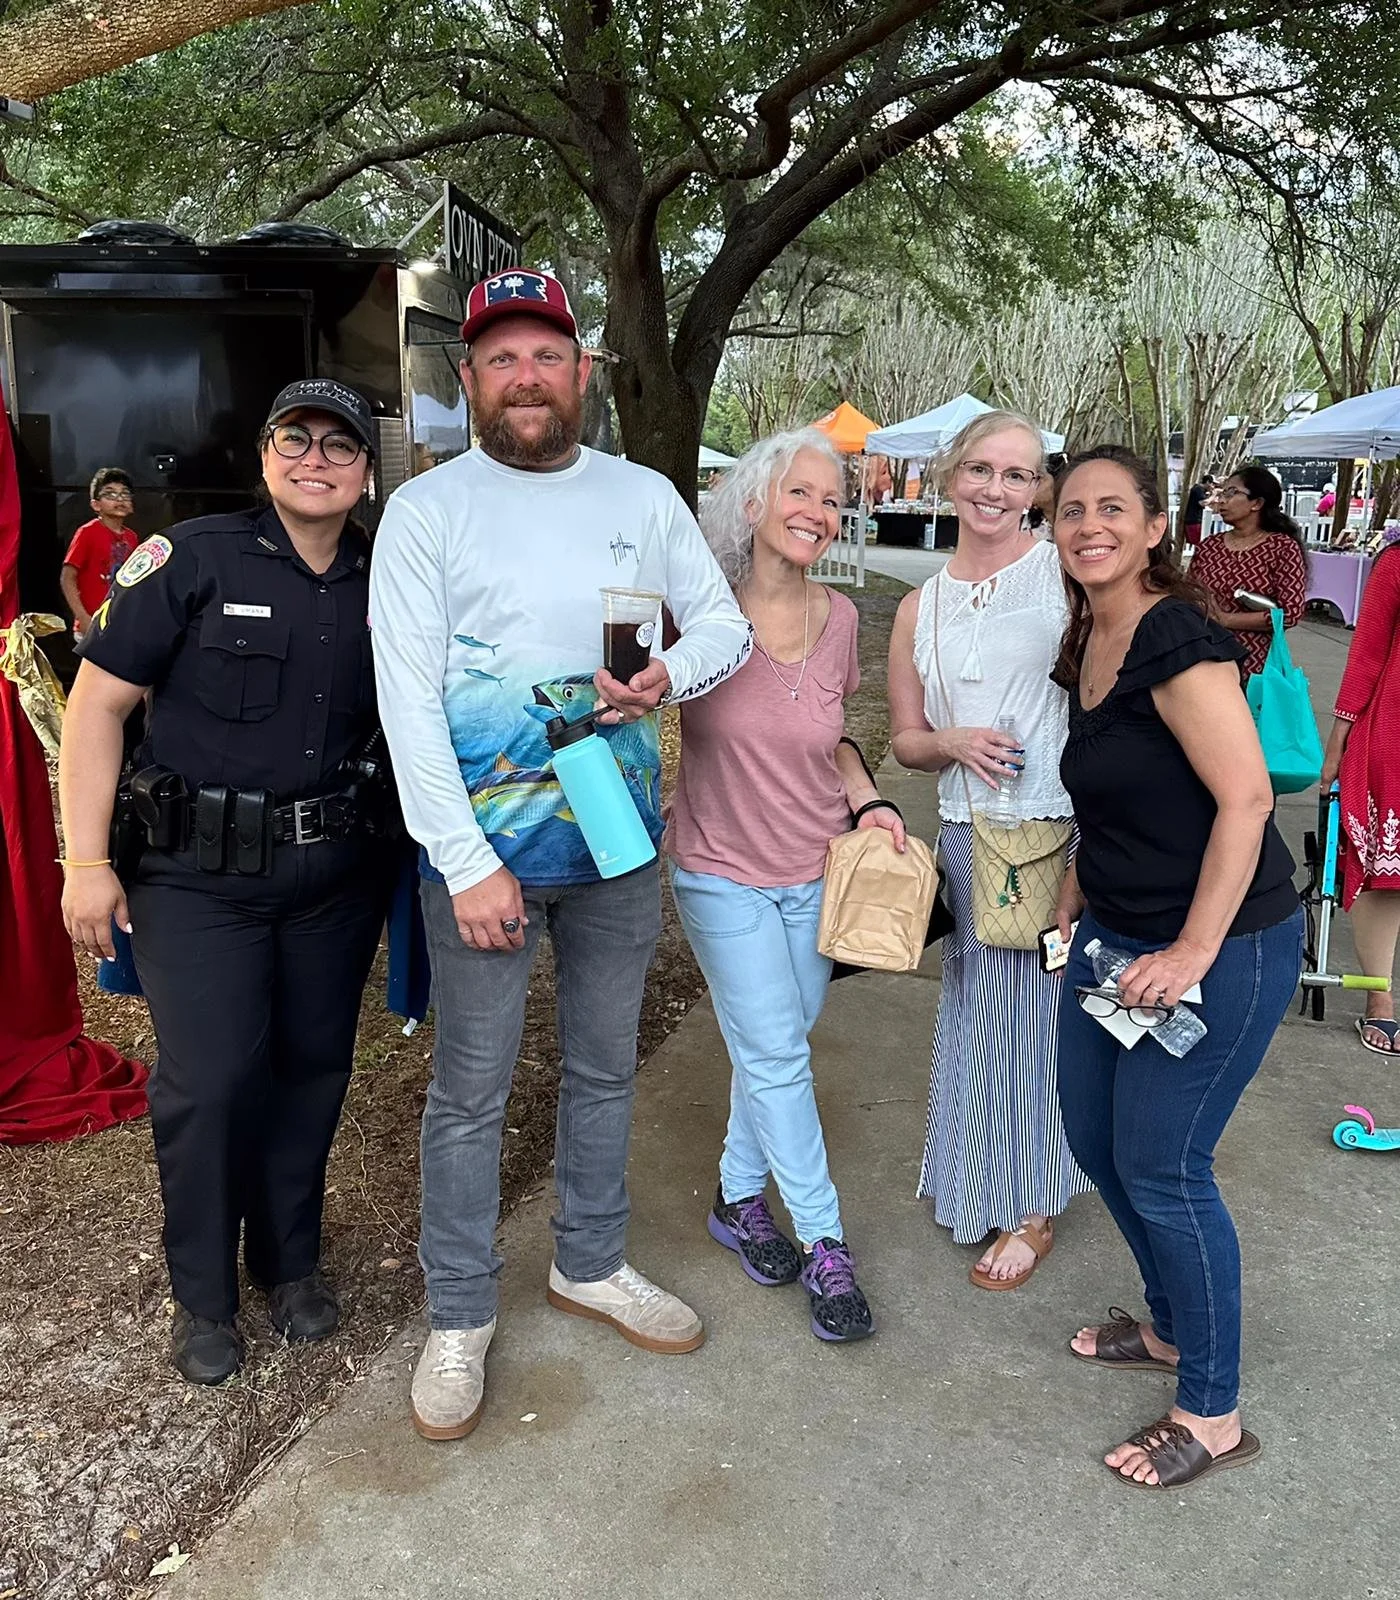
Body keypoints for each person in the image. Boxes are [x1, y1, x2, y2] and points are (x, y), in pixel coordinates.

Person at [369, 268, 752, 1441]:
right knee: (469, 1092)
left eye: (546, 356)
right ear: (469, 378)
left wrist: (664, 678)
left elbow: (723, 625)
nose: (525, 377)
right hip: (482, 854)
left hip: (619, 847)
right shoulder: (427, 512)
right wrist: (461, 855)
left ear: (581, 374)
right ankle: (460, 1316)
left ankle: (588, 1262)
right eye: (501, 358)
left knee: (601, 1068)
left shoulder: (640, 494)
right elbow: (407, 700)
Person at [58, 379, 394, 1385]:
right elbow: (96, 708)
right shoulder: (192, 557)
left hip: (335, 874)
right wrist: (84, 862)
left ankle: (288, 1263)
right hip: (197, 879)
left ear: (365, 470)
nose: (315, 458)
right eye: (294, 437)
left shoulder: (391, 574)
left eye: (340, 444)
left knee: (311, 1073)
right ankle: (202, 1294)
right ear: (263, 456)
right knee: (208, 1085)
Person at [1050, 445, 1302, 1490]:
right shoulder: (1089, 631)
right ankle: (1165, 1325)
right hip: (1110, 931)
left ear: (1156, 528)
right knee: (1095, 1140)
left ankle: (1210, 1409)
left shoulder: (1173, 634)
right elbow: (1116, 788)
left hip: (1224, 943)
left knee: (1165, 1166)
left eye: (1112, 509)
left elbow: (1245, 798)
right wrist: (1074, 886)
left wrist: (1192, 949)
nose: (1088, 525)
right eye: (1069, 510)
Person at [665, 428, 903, 1344]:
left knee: (775, 1052)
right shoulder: (701, 617)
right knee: (776, 1057)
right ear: (756, 504)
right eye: (801, 492)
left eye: (833, 499)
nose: (818, 510)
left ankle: (735, 1198)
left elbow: (833, 739)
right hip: (720, 870)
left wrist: (872, 801)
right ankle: (826, 1241)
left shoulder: (841, 620)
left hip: (817, 872)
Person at [887, 411, 1090, 1290]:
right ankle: (978, 1177)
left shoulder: (1065, 574)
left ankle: (1035, 1204)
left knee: (1037, 1022)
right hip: (969, 837)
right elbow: (904, 739)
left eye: (1016, 474)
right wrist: (953, 743)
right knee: (975, 1009)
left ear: (1038, 486)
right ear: (950, 473)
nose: (995, 489)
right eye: (980, 469)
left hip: (1054, 830)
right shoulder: (917, 605)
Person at [1321, 540, 1400, 1053]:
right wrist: (1337, 741)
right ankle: (1381, 997)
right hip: (1394, 733)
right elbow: (1367, 651)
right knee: (1387, 876)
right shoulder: (1397, 562)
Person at [1188, 465, 1307, 678]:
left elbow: (1290, 614)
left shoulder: (1282, 548)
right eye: (1222, 493)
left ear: (1257, 503)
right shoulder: (1209, 546)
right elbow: (1187, 592)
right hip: (1202, 656)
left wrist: (1226, 620)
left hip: (1254, 666)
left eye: (1232, 493)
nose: (1222, 500)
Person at [60, 468, 138, 638]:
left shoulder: (132, 538)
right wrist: (83, 617)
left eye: (125, 494)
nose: (119, 499)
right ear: (96, 504)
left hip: (122, 623)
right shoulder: (87, 533)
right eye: (110, 495)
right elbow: (67, 577)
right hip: (92, 623)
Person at [1182, 474, 1213, 550]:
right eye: (1212, 484)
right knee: (1200, 544)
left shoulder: (1199, 490)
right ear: (1208, 482)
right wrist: (1213, 495)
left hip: (1194, 521)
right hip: (1194, 521)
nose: (1212, 486)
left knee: (1199, 544)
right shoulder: (1198, 489)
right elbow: (1203, 502)